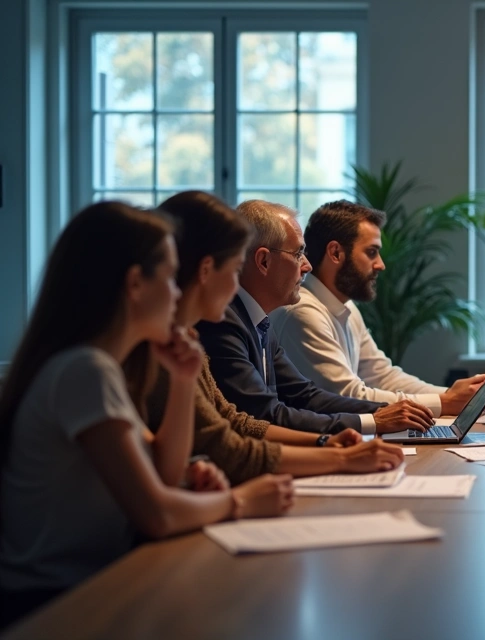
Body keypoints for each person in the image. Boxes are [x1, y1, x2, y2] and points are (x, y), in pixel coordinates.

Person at [0, 202, 292, 626]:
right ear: (136, 284)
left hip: (89, 584)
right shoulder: (85, 370)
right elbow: (157, 515)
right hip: (52, 603)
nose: (177, 292)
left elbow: (163, 468)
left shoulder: (102, 368)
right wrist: (239, 500)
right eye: (170, 278)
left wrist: (181, 380)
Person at [149, 192, 406, 485]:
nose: (306, 266)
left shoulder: (193, 341)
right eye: (235, 268)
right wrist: (338, 455)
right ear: (206, 271)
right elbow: (227, 440)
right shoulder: (207, 332)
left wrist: (325, 444)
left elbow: (238, 422)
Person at [195, 200, 434, 436]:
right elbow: (265, 414)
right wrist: (371, 421)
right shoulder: (224, 323)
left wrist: (388, 411)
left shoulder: (258, 321)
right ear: (264, 261)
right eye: (298, 253)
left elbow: (305, 395)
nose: (307, 265)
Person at [270, 200, 485, 416]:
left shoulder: (345, 306)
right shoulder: (303, 313)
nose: (381, 264)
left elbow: (382, 375)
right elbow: (348, 396)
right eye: (371, 252)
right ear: (335, 253)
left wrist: (452, 396)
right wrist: (444, 402)